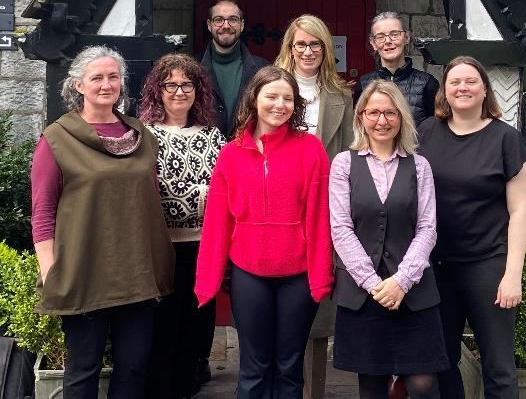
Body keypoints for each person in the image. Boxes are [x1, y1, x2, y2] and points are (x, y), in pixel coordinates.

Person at [30, 45, 175, 398]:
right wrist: (50, 271)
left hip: (137, 274)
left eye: (113, 76)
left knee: (134, 368)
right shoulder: (57, 139)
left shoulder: (141, 135)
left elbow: (148, 201)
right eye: (96, 77)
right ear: (78, 85)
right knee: (83, 370)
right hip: (85, 272)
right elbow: (43, 212)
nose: (106, 84)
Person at [195, 66, 334, 398]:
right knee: (254, 367)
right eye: (272, 96)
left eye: (288, 98)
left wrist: (321, 274)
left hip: (298, 274)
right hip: (249, 272)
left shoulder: (310, 148)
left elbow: (320, 216)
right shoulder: (231, 154)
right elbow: (218, 221)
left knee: (289, 366)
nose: (280, 105)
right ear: (254, 99)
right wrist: (208, 278)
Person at [418, 56, 526, 399]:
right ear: (444, 91)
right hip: (436, 266)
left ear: (485, 89)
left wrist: (513, 274)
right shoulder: (426, 133)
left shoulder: (507, 140)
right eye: (454, 82)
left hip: (487, 266)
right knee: (441, 363)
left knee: (498, 367)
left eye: (470, 81)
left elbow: (519, 212)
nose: (462, 88)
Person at [330, 80, 448, 399]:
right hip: (363, 293)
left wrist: (401, 281)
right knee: (372, 386)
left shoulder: (419, 166)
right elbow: (341, 229)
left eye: (390, 113)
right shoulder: (344, 164)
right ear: (361, 117)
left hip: (413, 290)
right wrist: (374, 285)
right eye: (374, 113)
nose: (382, 120)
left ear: (401, 118)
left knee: (423, 385)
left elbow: (427, 228)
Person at [274, 13, 354, 399]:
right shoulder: (270, 88)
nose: (308, 51)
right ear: (290, 48)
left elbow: (352, 154)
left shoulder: (342, 96)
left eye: (316, 44)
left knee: (317, 312)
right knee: (273, 310)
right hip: (276, 211)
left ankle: (313, 393)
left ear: (326, 50)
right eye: (301, 44)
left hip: (323, 212)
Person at [139, 53, 225, 398]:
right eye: (170, 85)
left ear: (198, 90)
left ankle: (187, 387)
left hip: (204, 245)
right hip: (161, 247)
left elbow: (226, 186)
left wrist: (200, 194)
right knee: (163, 326)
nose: (179, 91)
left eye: (187, 84)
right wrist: (199, 193)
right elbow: (149, 189)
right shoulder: (145, 135)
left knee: (196, 326)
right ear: (158, 90)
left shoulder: (213, 136)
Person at [199, 0, 269, 139]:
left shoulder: (263, 69)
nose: (226, 25)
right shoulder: (192, 66)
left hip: (248, 148)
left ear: (241, 25)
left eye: (233, 19)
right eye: (219, 20)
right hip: (203, 148)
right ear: (209, 25)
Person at [353, 11, 439, 127]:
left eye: (394, 34)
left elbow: (437, 128)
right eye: (380, 37)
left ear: (406, 38)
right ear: (373, 43)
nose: (388, 41)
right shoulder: (363, 84)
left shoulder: (427, 84)